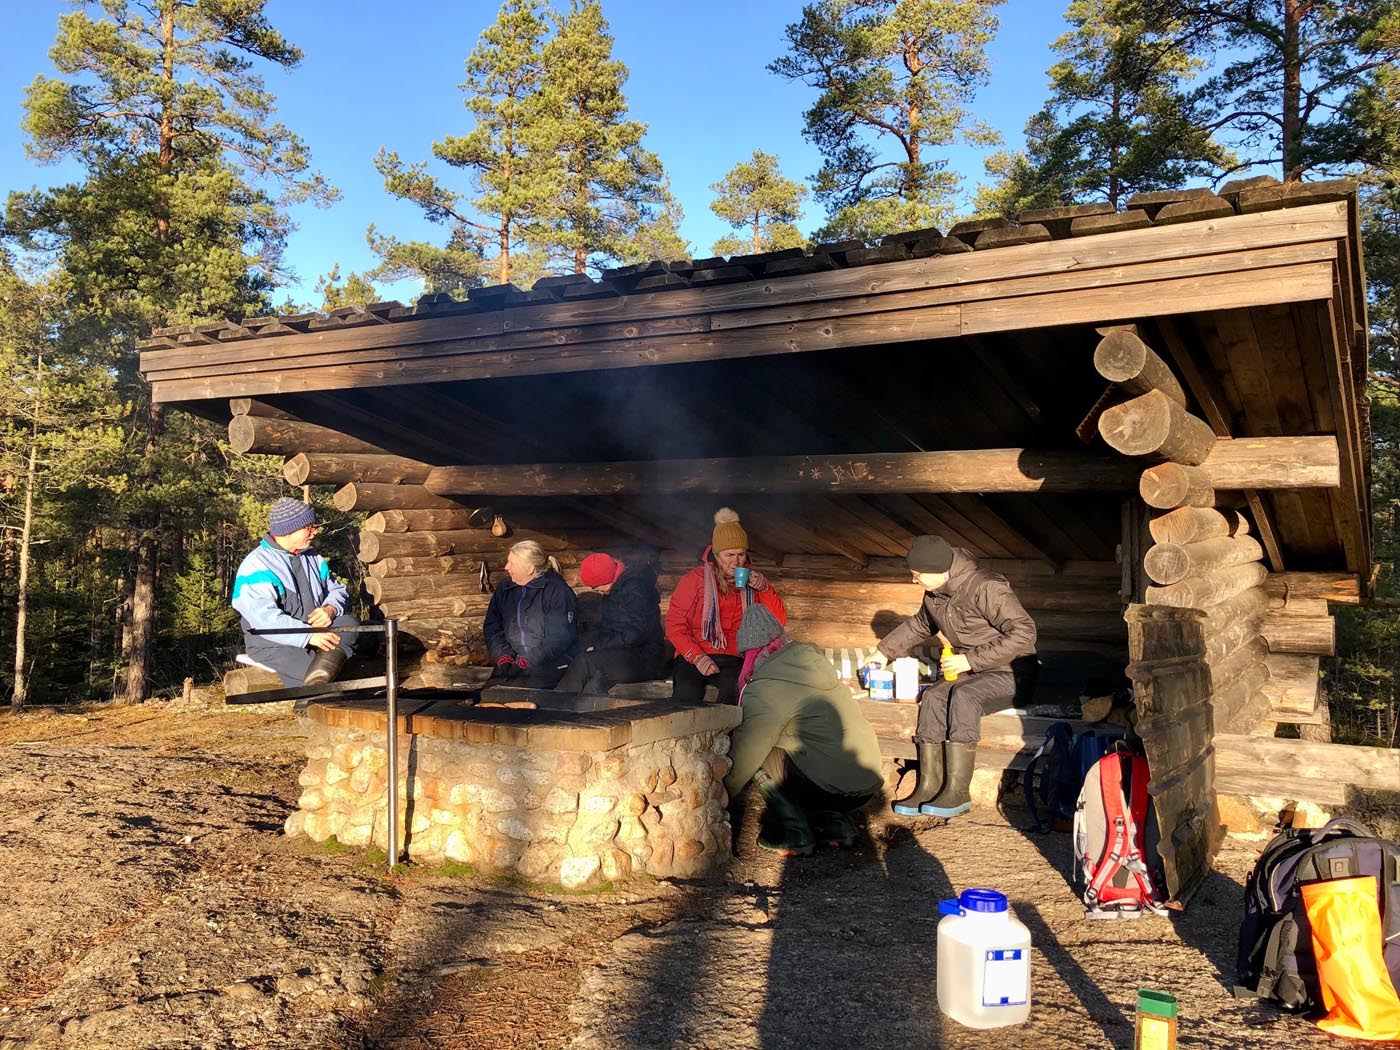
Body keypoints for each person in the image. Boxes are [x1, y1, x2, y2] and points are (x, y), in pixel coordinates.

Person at [872, 535, 1037, 819]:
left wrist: (968, 659)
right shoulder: (935, 595)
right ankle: (928, 785)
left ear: (937, 571)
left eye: (916, 575)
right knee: (934, 696)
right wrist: (882, 652)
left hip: (1013, 672)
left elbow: (1024, 633)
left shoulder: (986, 587)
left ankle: (958, 792)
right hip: (971, 672)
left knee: (964, 696)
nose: (914, 580)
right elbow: (920, 624)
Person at [725, 605, 885, 856]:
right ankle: (838, 825)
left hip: (831, 787)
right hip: (867, 784)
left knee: (760, 751)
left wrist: (721, 795)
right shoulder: (816, 666)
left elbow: (747, 751)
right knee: (815, 746)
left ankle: (794, 831)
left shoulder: (768, 685)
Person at [232, 498, 359, 687]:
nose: (314, 531)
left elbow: (337, 589)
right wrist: (308, 636)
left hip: (319, 635)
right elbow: (264, 619)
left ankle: (321, 682)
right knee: (328, 673)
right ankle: (313, 695)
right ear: (289, 530)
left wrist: (330, 608)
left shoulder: (313, 557)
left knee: (350, 624)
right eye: (309, 527)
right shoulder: (256, 565)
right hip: (275, 645)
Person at [665, 507, 786, 705]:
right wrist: (697, 657)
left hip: (735, 656)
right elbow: (674, 625)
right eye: (729, 555)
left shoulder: (754, 582)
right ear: (716, 554)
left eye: (741, 555)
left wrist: (765, 590)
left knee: (734, 694)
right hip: (696, 653)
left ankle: (725, 736)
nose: (736, 562)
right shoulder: (694, 580)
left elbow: (777, 623)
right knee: (686, 694)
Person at [555, 552, 666, 694]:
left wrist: (598, 646)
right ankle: (575, 711)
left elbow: (638, 633)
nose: (596, 590)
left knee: (585, 662)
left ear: (606, 578)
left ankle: (558, 706)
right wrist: (588, 642)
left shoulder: (635, 589)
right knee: (591, 684)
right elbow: (610, 627)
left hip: (646, 657)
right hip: (625, 653)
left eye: (596, 586)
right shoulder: (615, 590)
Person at [483, 539, 579, 688]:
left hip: (548, 665)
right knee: (487, 697)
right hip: (511, 663)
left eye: (512, 563)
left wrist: (527, 661)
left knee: (526, 698)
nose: (506, 567)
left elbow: (559, 637)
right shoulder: (506, 589)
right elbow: (492, 626)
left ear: (529, 568)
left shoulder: (556, 591)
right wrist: (503, 656)